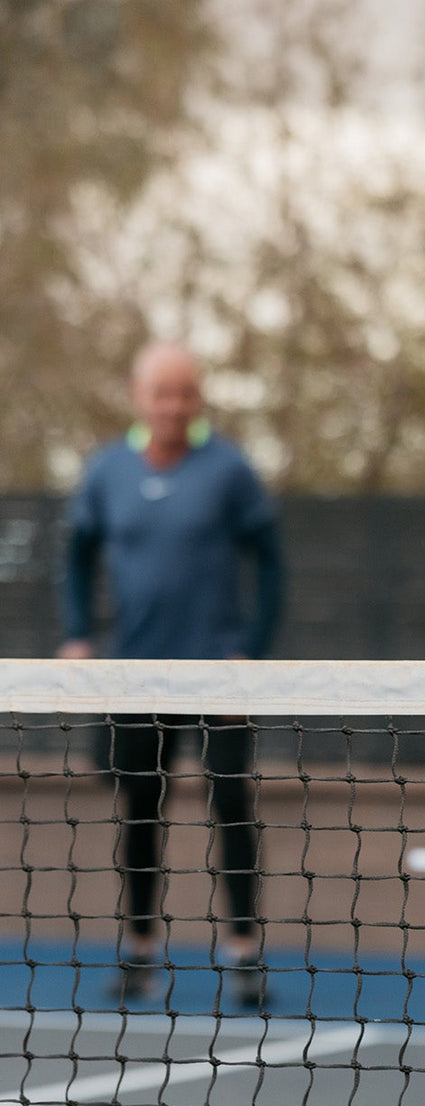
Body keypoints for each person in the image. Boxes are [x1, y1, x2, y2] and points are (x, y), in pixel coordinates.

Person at [59, 341, 285, 1008]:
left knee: (232, 808)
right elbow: (74, 557)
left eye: (185, 393)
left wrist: (251, 651)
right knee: (139, 810)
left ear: (199, 398)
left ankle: (244, 951)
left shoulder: (231, 469)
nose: (173, 406)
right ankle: (138, 950)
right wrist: (77, 635)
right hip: (134, 676)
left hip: (218, 678)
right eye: (162, 394)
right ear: (139, 397)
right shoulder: (106, 472)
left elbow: (272, 564)